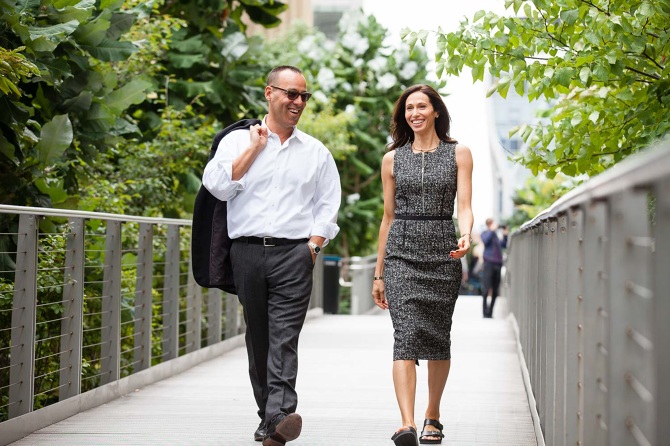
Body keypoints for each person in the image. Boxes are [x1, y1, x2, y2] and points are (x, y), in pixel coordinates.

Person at [202, 66, 341, 446]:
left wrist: (313, 247)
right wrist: (254, 149)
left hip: (294, 254)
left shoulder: (316, 152)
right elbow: (217, 186)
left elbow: (328, 204)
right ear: (269, 93)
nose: (298, 102)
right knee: (259, 337)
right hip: (246, 253)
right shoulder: (236, 141)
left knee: (284, 337)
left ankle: (280, 414)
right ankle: (269, 416)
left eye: (303, 96)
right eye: (291, 94)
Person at [372, 84, 473, 446]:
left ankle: (433, 414)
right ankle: (407, 423)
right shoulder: (392, 159)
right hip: (401, 254)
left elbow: (465, 206)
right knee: (405, 335)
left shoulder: (459, 153)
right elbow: (387, 217)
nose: (414, 113)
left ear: (435, 111)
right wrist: (379, 274)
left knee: (437, 336)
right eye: (408, 108)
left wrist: (466, 235)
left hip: (443, 253)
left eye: (421, 107)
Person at [480, 219, 508, 318]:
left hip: (498, 264)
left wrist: (505, 234)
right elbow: (485, 241)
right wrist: (492, 230)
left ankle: (490, 311)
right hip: (489, 263)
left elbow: (504, 245)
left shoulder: (496, 235)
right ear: (489, 225)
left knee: (495, 290)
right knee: (486, 288)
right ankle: (485, 312)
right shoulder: (485, 233)